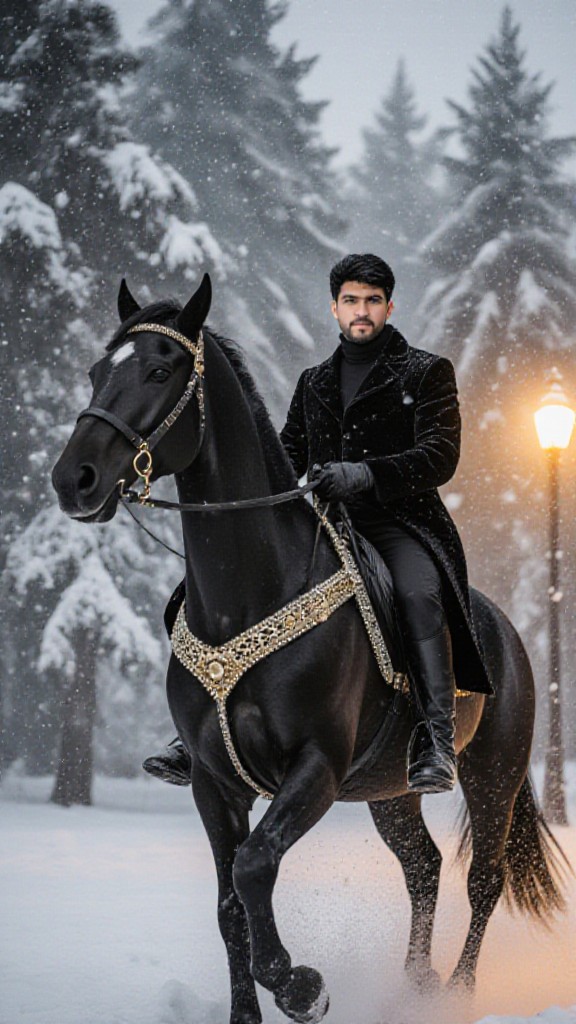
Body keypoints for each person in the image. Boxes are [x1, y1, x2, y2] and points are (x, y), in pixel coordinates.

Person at [144, 253, 491, 793]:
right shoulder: (315, 382)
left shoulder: (426, 372)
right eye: (351, 300)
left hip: (401, 523)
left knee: (419, 596)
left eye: (373, 301)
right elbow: (286, 454)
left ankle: (435, 738)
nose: (362, 310)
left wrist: (365, 475)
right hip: (324, 520)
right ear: (335, 308)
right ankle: (196, 737)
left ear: (389, 306)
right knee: (196, 596)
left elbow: (439, 456)